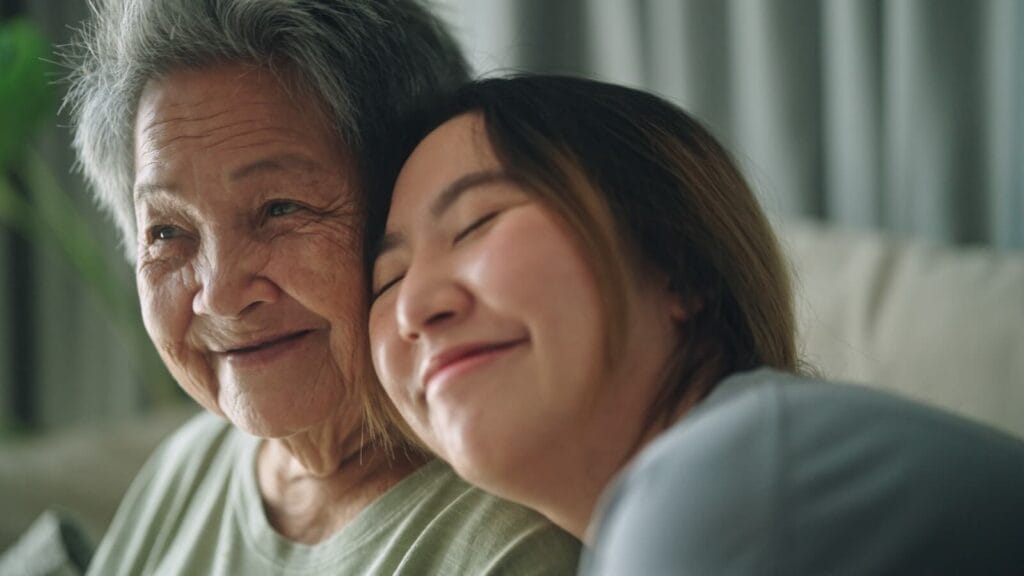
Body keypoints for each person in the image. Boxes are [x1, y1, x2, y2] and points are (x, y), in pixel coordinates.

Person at [367, 74, 1024, 574]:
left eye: (478, 223)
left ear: (677, 266)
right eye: (386, 280)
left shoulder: (724, 480)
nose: (413, 306)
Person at [64, 3, 580, 574]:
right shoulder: (189, 467)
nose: (221, 295)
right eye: (166, 231)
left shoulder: (508, 544)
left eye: (280, 208)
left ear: (407, 205)